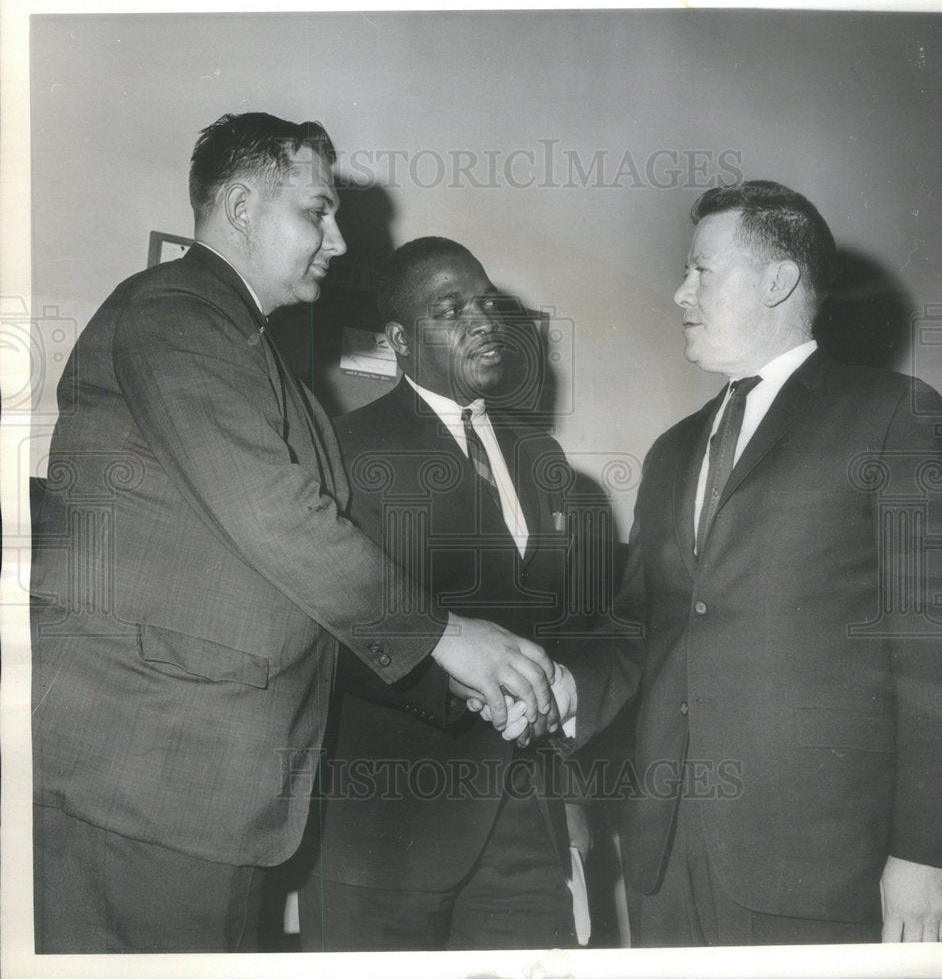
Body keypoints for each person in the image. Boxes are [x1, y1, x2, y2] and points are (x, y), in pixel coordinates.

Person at [31, 115, 556, 954]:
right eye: (317, 211)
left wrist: (439, 674)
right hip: (146, 781)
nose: (338, 240)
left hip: (206, 788)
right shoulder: (173, 312)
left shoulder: (256, 355)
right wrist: (446, 637)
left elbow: (292, 579)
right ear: (240, 207)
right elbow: (272, 512)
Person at [501, 181, 942, 946]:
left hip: (816, 861)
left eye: (700, 271)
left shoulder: (892, 414)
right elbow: (640, 625)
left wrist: (924, 852)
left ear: (778, 280)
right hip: (662, 854)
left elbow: (936, 647)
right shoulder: (672, 449)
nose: (679, 291)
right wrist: (570, 685)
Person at [296, 237, 589, 951]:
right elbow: (314, 631)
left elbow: (572, 621)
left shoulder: (543, 461)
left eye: (488, 305)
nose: (483, 322)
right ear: (399, 339)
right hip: (383, 824)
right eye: (450, 310)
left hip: (523, 814)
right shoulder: (343, 451)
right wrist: (446, 676)